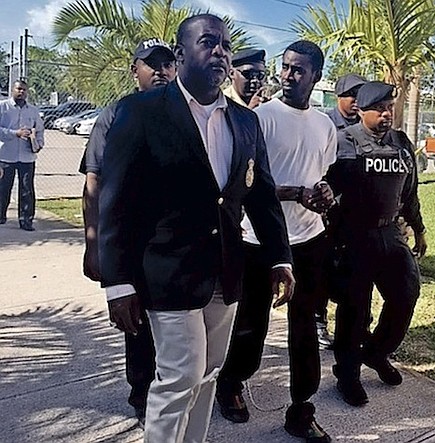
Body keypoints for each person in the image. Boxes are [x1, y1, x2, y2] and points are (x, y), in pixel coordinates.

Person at [97, 14, 295, 443]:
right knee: (180, 374)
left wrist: (281, 257)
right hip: (166, 272)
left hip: (224, 271)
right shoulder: (141, 112)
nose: (220, 51)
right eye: (208, 42)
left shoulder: (246, 122)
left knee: (207, 373)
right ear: (181, 54)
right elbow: (114, 202)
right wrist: (117, 283)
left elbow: (259, 195)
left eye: (224, 43)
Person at [216, 40, 336, 443]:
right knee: (252, 323)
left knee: (304, 329)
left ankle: (301, 410)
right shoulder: (259, 119)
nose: (287, 76)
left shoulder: (324, 125)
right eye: (285, 67)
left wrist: (321, 194)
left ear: (316, 76)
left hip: (309, 240)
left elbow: (322, 175)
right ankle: (231, 381)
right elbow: (247, 186)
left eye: (298, 70)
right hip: (260, 241)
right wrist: (294, 193)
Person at [79, 37, 177, 427]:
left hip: (178, 244)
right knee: (138, 325)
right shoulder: (116, 114)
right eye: (150, 64)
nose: (161, 71)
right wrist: (92, 245)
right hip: (134, 243)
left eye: (167, 64)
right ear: (134, 70)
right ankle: (142, 395)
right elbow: (94, 181)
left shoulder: (188, 112)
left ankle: (177, 389)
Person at [326, 81, 428, 407]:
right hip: (353, 236)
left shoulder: (401, 143)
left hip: (390, 234)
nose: (387, 114)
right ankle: (348, 375)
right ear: (361, 111)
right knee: (355, 310)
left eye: (390, 108)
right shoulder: (342, 143)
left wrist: (419, 229)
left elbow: (409, 193)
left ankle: (376, 352)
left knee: (406, 293)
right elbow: (323, 191)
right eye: (380, 109)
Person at [317, 73, 369, 350]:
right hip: (328, 213)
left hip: (356, 215)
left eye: (360, 97)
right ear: (338, 97)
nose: (355, 102)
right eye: (350, 96)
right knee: (324, 270)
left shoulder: (366, 126)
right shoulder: (325, 123)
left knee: (353, 272)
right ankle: (318, 321)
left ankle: (355, 326)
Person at [0, 79, 44, 231]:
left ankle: (26, 220)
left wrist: (39, 143)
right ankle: (1, 215)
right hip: (6, 155)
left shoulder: (33, 110)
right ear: (12, 89)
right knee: (3, 187)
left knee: (27, 188)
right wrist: (15, 133)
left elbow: (39, 129)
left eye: (24, 90)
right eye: (18, 89)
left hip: (27, 156)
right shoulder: (3, 107)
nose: (21, 92)